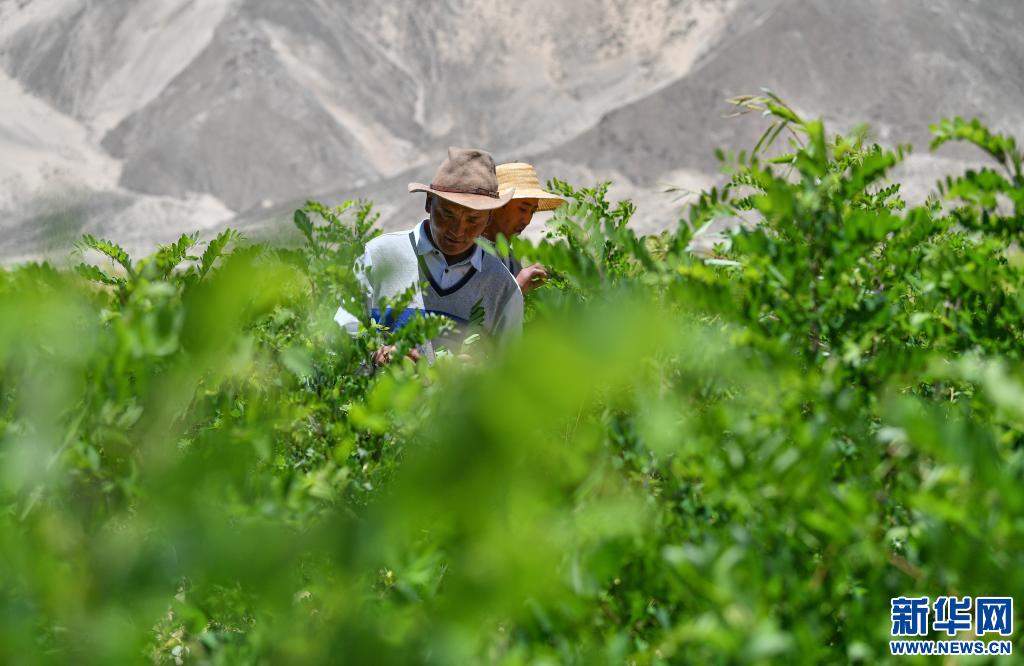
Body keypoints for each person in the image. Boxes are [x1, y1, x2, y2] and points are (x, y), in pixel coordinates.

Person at [337, 147, 524, 367]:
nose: (458, 230)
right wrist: (377, 355)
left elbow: (511, 371)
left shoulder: (502, 287)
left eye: (473, 220)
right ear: (428, 202)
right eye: (448, 214)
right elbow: (339, 335)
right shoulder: (380, 256)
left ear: (489, 218)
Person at [483, 162, 565, 294]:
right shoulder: (468, 253)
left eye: (532, 211)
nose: (527, 220)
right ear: (497, 205)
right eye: (522, 209)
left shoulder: (512, 259)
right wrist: (517, 288)